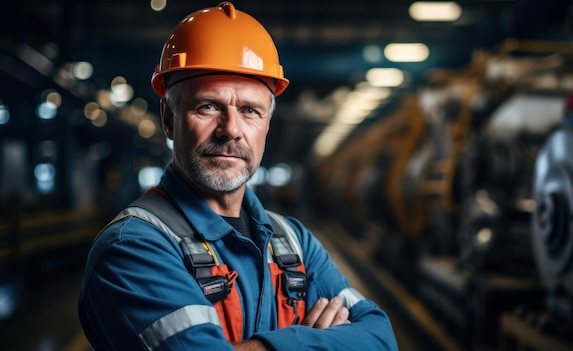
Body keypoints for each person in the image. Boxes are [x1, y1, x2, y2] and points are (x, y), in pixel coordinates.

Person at [78, 2, 398, 350]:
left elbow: (380, 337)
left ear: (267, 126)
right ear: (169, 118)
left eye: (250, 111)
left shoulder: (294, 241)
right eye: (208, 106)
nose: (231, 130)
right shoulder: (134, 248)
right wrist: (317, 341)